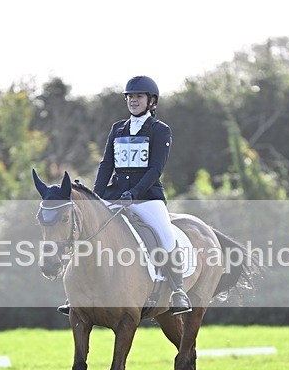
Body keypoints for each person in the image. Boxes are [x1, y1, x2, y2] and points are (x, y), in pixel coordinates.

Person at [58, 75, 191, 316]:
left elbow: (156, 169)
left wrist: (135, 192)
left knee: (165, 235)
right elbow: (106, 163)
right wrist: (96, 197)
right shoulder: (118, 128)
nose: (133, 101)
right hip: (115, 193)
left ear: (151, 101)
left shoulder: (160, 130)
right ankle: (75, 295)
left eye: (138, 97)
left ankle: (177, 290)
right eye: (130, 97)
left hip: (147, 197)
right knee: (85, 230)